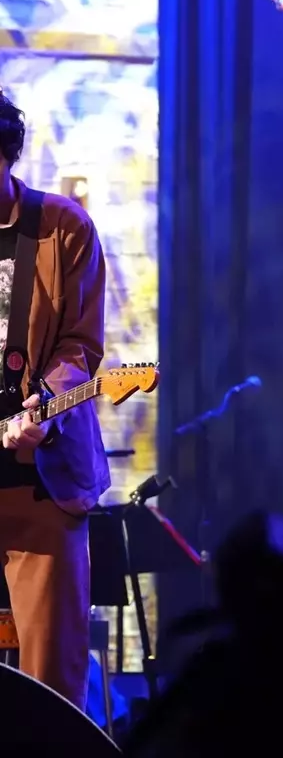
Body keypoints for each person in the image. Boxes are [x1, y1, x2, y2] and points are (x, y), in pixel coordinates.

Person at [0, 91, 109, 710]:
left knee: (51, 684)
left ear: (8, 157)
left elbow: (80, 346)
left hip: (40, 478)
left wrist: (42, 407)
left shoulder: (63, 227)